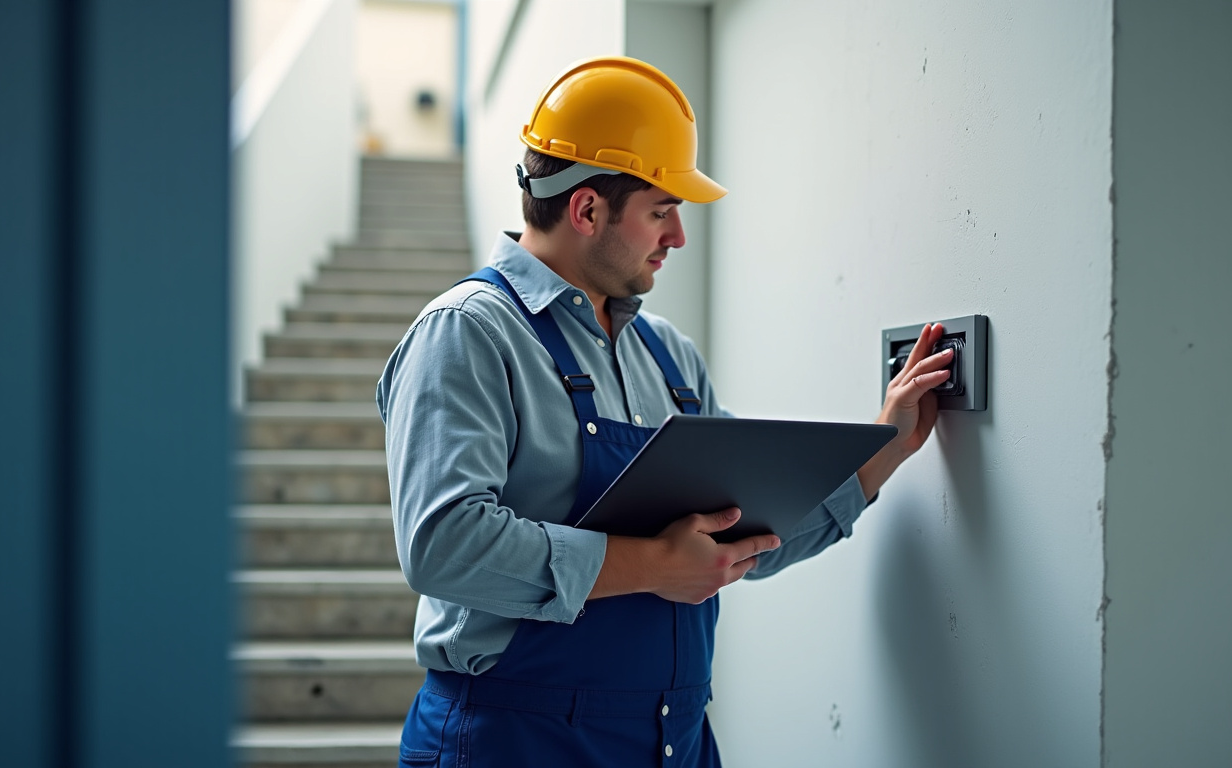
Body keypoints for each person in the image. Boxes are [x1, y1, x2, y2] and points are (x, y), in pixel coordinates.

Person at [376, 56, 953, 768]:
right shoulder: (468, 332)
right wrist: (650, 564)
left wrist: (884, 448)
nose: (677, 237)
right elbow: (444, 544)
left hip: (667, 741)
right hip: (513, 740)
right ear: (587, 209)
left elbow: (746, 540)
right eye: (661, 210)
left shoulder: (669, 360)